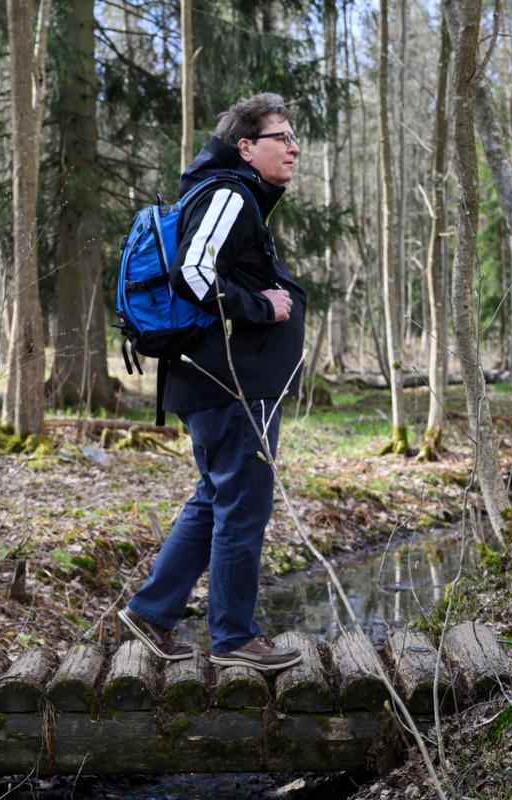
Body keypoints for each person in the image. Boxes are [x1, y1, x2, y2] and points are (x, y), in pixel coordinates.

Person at [118, 93, 307, 672]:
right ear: (246, 146)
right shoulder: (228, 191)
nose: (294, 147)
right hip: (228, 383)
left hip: (220, 381)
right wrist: (262, 307)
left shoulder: (234, 193)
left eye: (294, 137)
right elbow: (192, 272)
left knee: (217, 499)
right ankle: (233, 638)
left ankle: (152, 613)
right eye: (282, 136)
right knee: (243, 506)